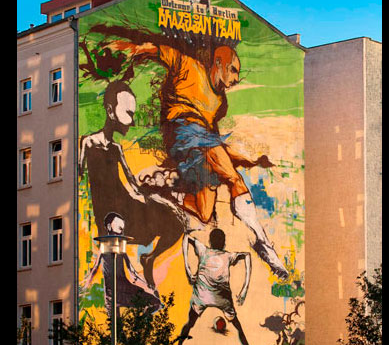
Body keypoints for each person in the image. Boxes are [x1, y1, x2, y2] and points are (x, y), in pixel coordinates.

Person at [91, 24, 288, 280]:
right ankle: (264, 245)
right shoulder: (189, 66)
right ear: (218, 62)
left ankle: (166, 191)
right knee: (233, 179)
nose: (235, 79)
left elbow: (215, 145)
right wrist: (129, 49)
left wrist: (249, 161)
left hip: (198, 146)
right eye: (233, 70)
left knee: (204, 213)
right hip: (182, 131)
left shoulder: (217, 102)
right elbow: (155, 50)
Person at [79, 79, 185, 288]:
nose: (132, 121)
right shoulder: (88, 142)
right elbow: (78, 177)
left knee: (176, 223)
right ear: (110, 111)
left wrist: (162, 201)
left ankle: (150, 258)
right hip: (110, 214)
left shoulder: (117, 148)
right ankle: (122, 281)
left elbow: (132, 183)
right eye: (128, 113)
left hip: (125, 205)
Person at [173, 228, 256, 345]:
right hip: (221, 298)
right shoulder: (228, 256)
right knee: (238, 327)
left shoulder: (203, 250)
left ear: (210, 241)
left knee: (189, 324)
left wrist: (188, 270)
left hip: (202, 296)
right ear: (224, 243)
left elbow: (186, 237)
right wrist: (244, 289)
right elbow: (247, 255)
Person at [80, 212, 162, 317]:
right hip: (115, 293)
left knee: (155, 303)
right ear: (109, 227)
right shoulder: (105, 247)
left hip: (119, 291)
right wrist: (85, 286)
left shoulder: (117, 248)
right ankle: (139, 322)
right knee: (155, 303)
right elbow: (95, 269)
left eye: (122, 230)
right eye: (119, 228)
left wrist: (147, 285)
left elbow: (132, 272)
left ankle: (139, 323)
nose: (121, 232)